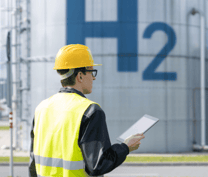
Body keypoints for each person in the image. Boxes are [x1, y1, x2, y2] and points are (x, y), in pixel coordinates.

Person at [28, 44, 145, 177]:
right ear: (80, 76)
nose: (94, 77)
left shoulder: (42, 108)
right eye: (91, 72)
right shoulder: (90, 111)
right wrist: (126, 147)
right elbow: (99, 164)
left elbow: (33, 163)